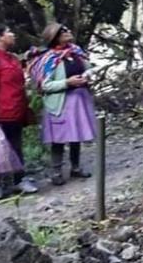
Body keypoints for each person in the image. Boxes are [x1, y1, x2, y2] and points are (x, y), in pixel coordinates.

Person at [0, 25, 39, 199]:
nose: (13, 35)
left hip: (15, 112)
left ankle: (19, 180)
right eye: (9, 32)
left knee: (16, 147)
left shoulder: (11, 59)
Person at [28, 23, 97, 186]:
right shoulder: (49, 59)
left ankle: (76, 167)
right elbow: (44, 85)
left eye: (67, 29)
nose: (68, 32)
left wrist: (87, 75)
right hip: (60, 103)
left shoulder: (76, 52)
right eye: (64, 31)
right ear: (55, 37)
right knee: (58, 138)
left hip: (79, 101)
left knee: (76, 136)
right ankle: (56, 172)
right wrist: (67, 82)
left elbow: (89, 68)